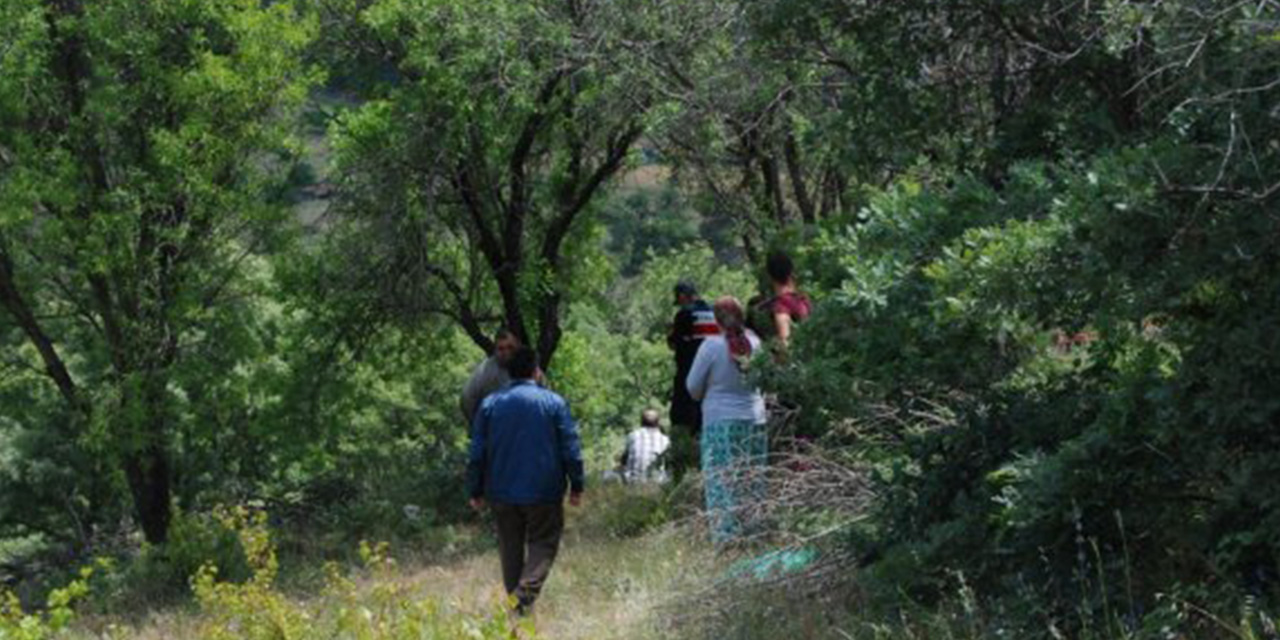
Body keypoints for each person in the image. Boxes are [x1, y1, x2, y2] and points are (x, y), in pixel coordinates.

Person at [466, 347, 584, 616]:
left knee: (510, 548)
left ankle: (516, 612)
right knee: (544, 543)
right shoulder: (553, 402)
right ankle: (520, 599)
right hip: (544, 491)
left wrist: (475, 488)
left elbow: (476, 452)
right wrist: (576, 484)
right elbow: (571, 448)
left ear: (508, 372)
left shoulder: (490, 403)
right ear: (536, 371)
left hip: (501, 491)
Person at [686, 297, 767, 544]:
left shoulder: (711, 347)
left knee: (722, 481)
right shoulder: (755, 343)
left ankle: (726, 539)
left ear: (716, 319)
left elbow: (692, 388)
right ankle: (754, 533)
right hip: (754, 420)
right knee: (752, 479)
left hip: (721, 422)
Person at [668, 281, 719, 437]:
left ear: (682, 297)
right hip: (714, 370)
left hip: (690, 368)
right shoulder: (714, 312)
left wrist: (671, 332)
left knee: (684, 414)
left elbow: (676, 343)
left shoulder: (684, 314)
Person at [748, 251, 811, 350]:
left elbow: (785, 343)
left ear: (770, 276)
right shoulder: (803, 300)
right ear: (791, 271)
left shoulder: (780, 307)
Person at [459, 329, 521, 424]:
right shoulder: (486, 370)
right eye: (501, 349)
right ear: (495, 350)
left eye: (510, 347)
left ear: (518, 346)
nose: (506, 352)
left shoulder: (529, 366)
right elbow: (467, 398)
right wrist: (478, 425)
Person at [619, 409, 671, 484]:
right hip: (657, 483)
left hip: (633, 481)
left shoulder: (632, 436)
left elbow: (624, 460)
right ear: (658, 423)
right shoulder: (666, 440)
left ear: (641, 422)